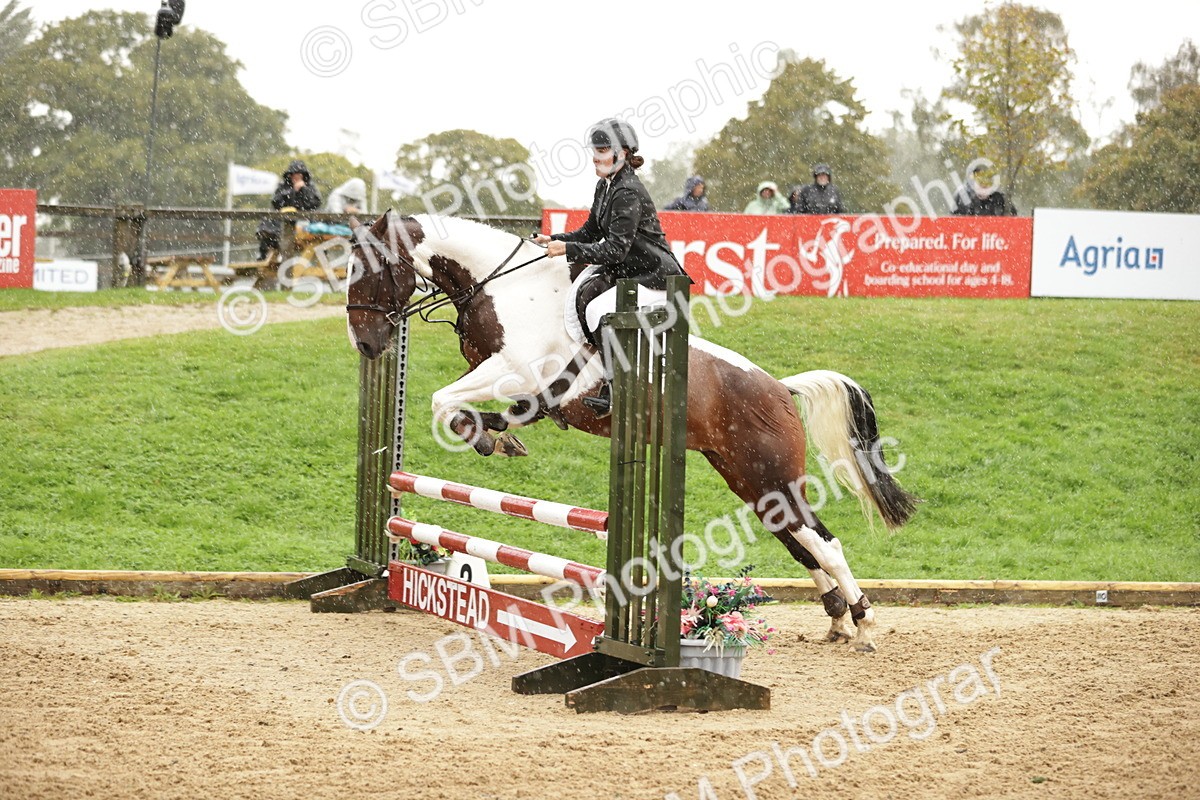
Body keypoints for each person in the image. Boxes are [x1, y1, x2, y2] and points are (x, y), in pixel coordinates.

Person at [532, 118, 689, 418]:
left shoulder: (626, 191)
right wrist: (553, 239)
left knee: (600, 314)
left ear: (623, 153)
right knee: (581, 299)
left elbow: (616, 249)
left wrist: (567, 249)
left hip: (656, 277)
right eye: (595, 149)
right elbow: (590, 232)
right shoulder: (605, 186)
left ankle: (616, 389)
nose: (595, 155)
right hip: (631, 273)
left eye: (602, 149)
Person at [256, 160, 322, 259]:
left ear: (303, 175)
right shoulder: (283, 187)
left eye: (299, 174)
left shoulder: (310, 187)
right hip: (283, 221)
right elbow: (276, 202)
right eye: (294, 174)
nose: (296, 177)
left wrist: (304, 190)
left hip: (304, 221)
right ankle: (263, 255)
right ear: (290, 175)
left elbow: (314, 204)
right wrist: (293, 192)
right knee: (267, 224)